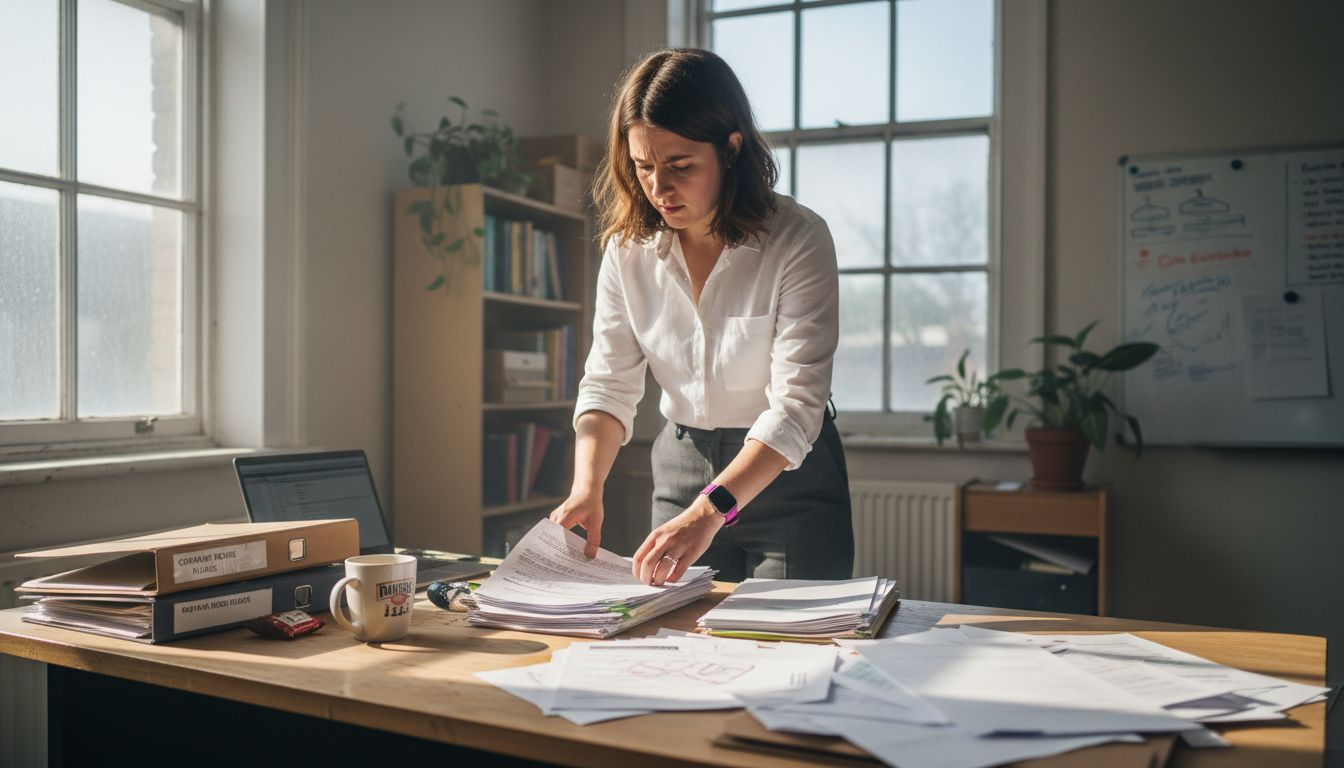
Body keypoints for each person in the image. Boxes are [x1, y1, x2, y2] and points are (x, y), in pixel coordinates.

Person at [549, 48, 852, 587]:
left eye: (680, 167)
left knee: (789, 648)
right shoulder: (628, 250)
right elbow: (607, 384)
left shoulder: (798, 239)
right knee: (675, 643)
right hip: (680, 469)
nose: (659, 189)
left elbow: (797, 407)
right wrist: (586, 487)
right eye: (643, 167)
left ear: (731, 149)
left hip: (786, 476)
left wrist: (710, 511)